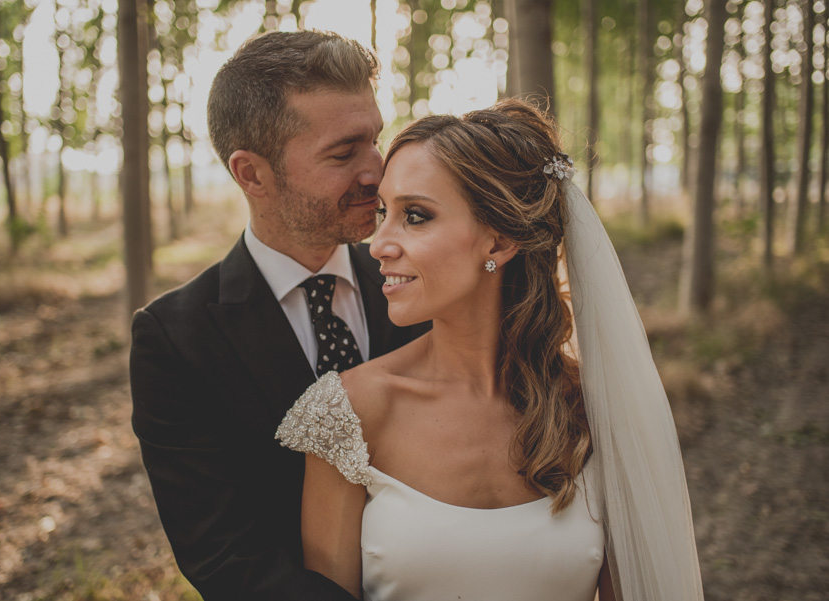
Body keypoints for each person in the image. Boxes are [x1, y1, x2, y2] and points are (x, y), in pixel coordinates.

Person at [276, 98, 705, 601]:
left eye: (415, 216)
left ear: (498, 244)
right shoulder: (347, 412)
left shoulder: (595, 410)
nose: (379, 244)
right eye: (382, 213)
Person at [129, 31, 426, 600]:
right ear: (252, 175)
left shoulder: (426, 282)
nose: (377, 171)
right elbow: (223, 556)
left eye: (375, 140)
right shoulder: (175, 339)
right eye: (343, 153)